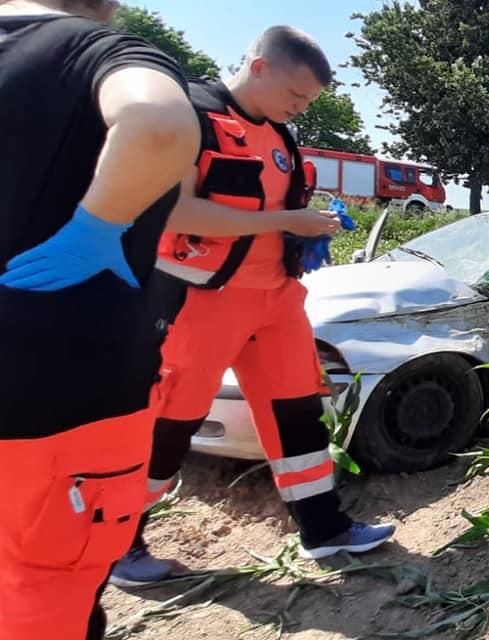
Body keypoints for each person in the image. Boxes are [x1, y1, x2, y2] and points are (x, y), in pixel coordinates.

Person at [110, 26, 395, 587]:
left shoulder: (282, 137)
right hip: (199, 302)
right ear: (259, 66)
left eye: (308, 101)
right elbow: (170, 214)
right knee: (168, 426)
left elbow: (273, 207)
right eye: (296, 95)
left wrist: (305, 234)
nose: (300, 108)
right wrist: (282, 222)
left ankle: (324, 530)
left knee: (299, 421)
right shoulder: (188, 115)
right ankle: (119, 546)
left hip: (276, 302)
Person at [0, 1, 200, 637]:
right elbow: (156, 124)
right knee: (44, 608)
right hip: (62, 409)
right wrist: (94, 228)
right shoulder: (94, 53)